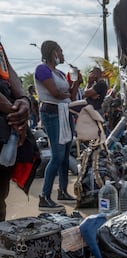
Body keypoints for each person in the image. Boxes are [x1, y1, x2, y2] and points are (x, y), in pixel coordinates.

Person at [34, 40, 80, 211]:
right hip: (52, 113)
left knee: (66, 154)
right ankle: (44, 196)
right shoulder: (42, 69)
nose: (62, 55)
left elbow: (70, 96)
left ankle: (62, 190)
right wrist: (66, 93)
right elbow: (55, 94)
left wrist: (77, 82)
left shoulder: (60, 73)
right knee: (58, 155)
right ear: (53, 52)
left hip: (65, 112)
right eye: (60, 51)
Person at [0, 41, 31, 221]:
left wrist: (23, 99)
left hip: (6, 122)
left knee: (0, 194)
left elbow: (8, 69)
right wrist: (13, 110)